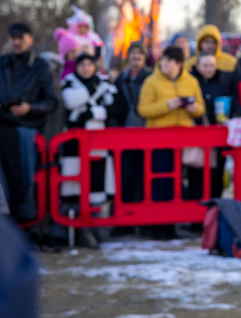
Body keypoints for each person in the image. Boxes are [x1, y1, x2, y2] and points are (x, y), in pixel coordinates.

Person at [137, 46, 205, 240]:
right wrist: (166, 105)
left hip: (183, 140)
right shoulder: (151, 81)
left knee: (176, 182)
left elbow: (201, 109)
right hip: (158, 139)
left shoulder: (191, 81)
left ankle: (172, 224)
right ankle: (158, 225)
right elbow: (143, 109)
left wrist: (193, 108)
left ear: (179, 64)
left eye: (169, 61)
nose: (164, 64)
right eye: (163, 60)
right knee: (159, 180)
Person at [0, 22, 58, 223]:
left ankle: (27, 219)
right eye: (13, 37)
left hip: (28, 128)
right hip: (3, 123)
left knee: (25, 178)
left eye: (20, 37)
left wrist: (29, 108)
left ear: (30, 39)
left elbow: (52, 101)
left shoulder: (41, 67)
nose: (16, 42)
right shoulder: (2, 63)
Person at [60, 52, 119, 247]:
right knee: (74, 184)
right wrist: (90, 95)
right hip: (73, 144)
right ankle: (74, 229)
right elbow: (69, 103)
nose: (86, 68)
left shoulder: (104, 83)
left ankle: (94, 228)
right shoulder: (69, 82)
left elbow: (115, 107)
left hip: (97, 143)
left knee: (97, 185)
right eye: (82, 65)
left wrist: (91, 112)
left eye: (89, 64)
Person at [188, 52, 237, 199]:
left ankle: (214, 210)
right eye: (205, 65)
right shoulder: (191, 81)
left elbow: (230, 101)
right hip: (196, 135)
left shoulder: (222, 81)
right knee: (196, 174)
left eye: (212, 66)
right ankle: (196, 214)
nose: (209, 69)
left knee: (216, 174)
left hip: (218, 134)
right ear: (198, 66)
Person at [112, 42, 152, 207]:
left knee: (144, 175)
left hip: (146, 132)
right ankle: (125, 215)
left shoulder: (151, 77)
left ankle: (144, 216)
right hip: (124, 133)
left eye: (140, 53)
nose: (136, 57)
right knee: (125, 175)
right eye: (133, 53)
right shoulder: (121, 79)